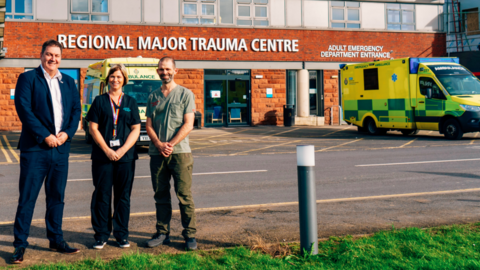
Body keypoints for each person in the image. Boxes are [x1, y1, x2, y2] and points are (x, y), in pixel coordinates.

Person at [11, 40, 82, 264]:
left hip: (61, 150)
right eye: (49, 54)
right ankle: (20, 245)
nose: (53, 59)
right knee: (28, 198)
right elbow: (25, 110)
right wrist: (46, 135)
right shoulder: (28, 78)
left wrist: (66, 134)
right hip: (35, 149)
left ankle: (56, 239)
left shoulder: (69, 82)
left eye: (57, 55)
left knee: (57, 198)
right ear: (41, 55)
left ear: (61, 58)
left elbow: (75, 111)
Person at [86, 64, 141, 249]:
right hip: (103, 158)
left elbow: (136, 129)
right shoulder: (99, 101)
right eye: (112, 76)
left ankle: (121, 235)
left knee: (122, 197)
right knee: (102, 196)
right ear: (107, 79)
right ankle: (101, 235)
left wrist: (122, 150)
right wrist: (108, 150)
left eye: (119, 77)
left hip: (125, 158)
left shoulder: (131, 102)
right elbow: (92, 128)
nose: (115, 80)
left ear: (124, 79)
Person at [145, 57, 197, 250]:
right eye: (161, 69)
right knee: (160, 195)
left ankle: (190, 235)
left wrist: (171, 144)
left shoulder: (185, 94)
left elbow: (188, 124)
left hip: (180, 153)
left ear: (175, 70)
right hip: (157, 153)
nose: (164, 72)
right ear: (157, 72)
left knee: (184, 195)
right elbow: (148, 125)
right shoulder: (152, 96)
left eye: (167, 69)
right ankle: (162, 233)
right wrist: (159, 144)